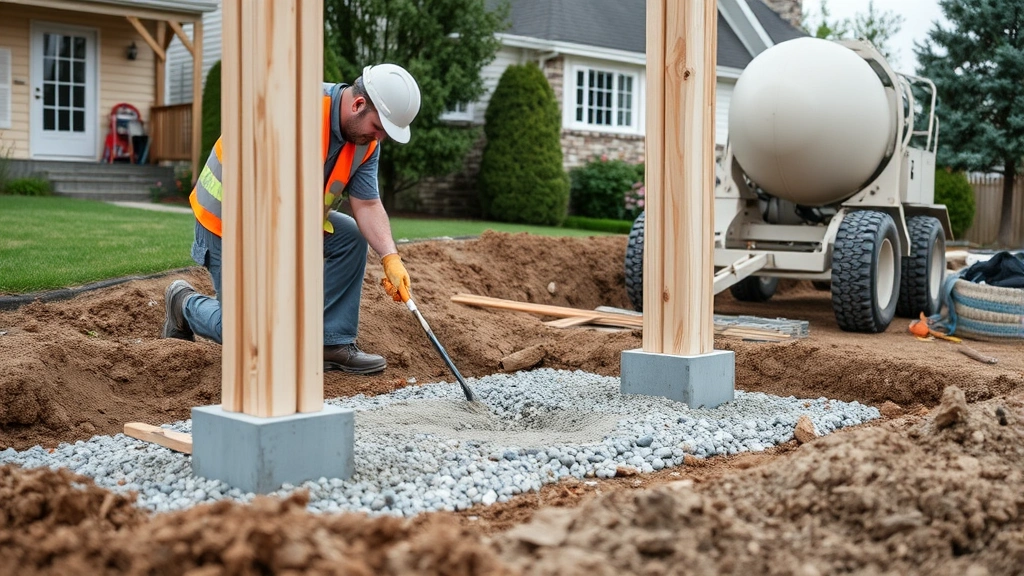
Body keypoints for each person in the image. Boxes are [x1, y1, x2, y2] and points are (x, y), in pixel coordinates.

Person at [161, 63, 421, 375]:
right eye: (378, 127)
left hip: (287, 222)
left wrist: (390, 257)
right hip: (227, 222)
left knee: (350, 236)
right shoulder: (294, 111)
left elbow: (366, 204)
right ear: (358, 104)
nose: (379, 137)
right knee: (256, 337)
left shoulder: (366, 144)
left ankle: (331, 341)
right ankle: (183, 304)